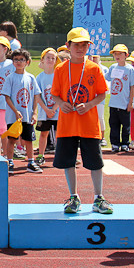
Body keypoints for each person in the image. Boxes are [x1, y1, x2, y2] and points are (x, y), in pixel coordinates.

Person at [51, 27, 112, 215]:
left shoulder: (94, 68)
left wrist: (90, 104)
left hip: (89, 125)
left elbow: (102, 93)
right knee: (68, 161)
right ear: (68, 46)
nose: (80, 48)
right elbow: (54, 95)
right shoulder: (61, 69)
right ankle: (73, 197)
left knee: (96, 162)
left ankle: (98, 197)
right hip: (67, 125)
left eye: (84, 45)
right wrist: (61, 103)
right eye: (76, 45)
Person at [1, 48, 41, 173]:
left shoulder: (31, 78)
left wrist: (34, 113)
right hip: (13, 117)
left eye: (22, 60)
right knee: (12, 139)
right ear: (12, 62)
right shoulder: (10, 78)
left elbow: (36, 95)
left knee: (29, 139)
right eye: (16, 60)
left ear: (27, 62)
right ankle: (10, 161)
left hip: (27, 115)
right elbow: (7, 97)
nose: (19, 62)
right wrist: (15, 111)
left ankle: (31, 162)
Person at [106, 44, 134, 153]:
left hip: (124, 103)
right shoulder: (113, 67)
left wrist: (131, 102)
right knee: (113, 124)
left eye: (120, 53)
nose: (117, 56)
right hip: (113, 103)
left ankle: (125, 143)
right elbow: (106, 78)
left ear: (126, 55)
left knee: (125, 125)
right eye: (115, 54)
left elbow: (132, 86)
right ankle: (115, 144)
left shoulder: (129, 69)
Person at [36, 48, 59, 165]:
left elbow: (61, 95)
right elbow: (37, 96)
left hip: (57, 111)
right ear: (43, 60)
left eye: (53, 58)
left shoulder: (58, 76)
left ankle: (62, 155)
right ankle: (41, 155)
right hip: (44, 112)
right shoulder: (39, 77)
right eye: (48, 57)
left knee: (60, 134)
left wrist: (53, 109)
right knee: (44, 133)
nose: (50, 60)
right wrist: (46, 109)